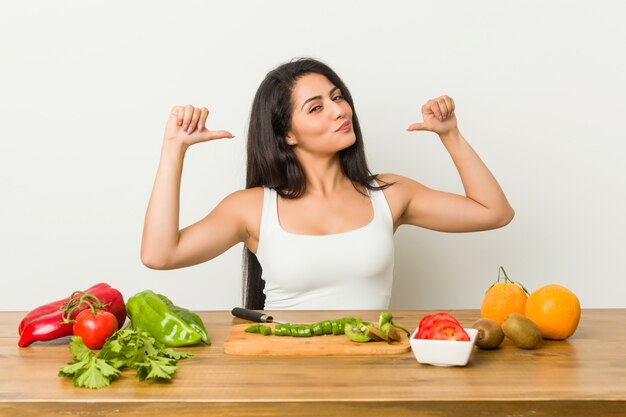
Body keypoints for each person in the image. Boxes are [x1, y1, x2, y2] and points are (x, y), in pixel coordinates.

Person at [141, 58, 514, 311]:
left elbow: (494, 213)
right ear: (287, 134)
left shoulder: (390, 193)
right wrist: (174, 149)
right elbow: (159, 255)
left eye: (337, 97)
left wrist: (450, 135)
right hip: (283, 380)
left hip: (373, 378)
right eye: (316, 107)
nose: (339, 110)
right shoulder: (251, 207)